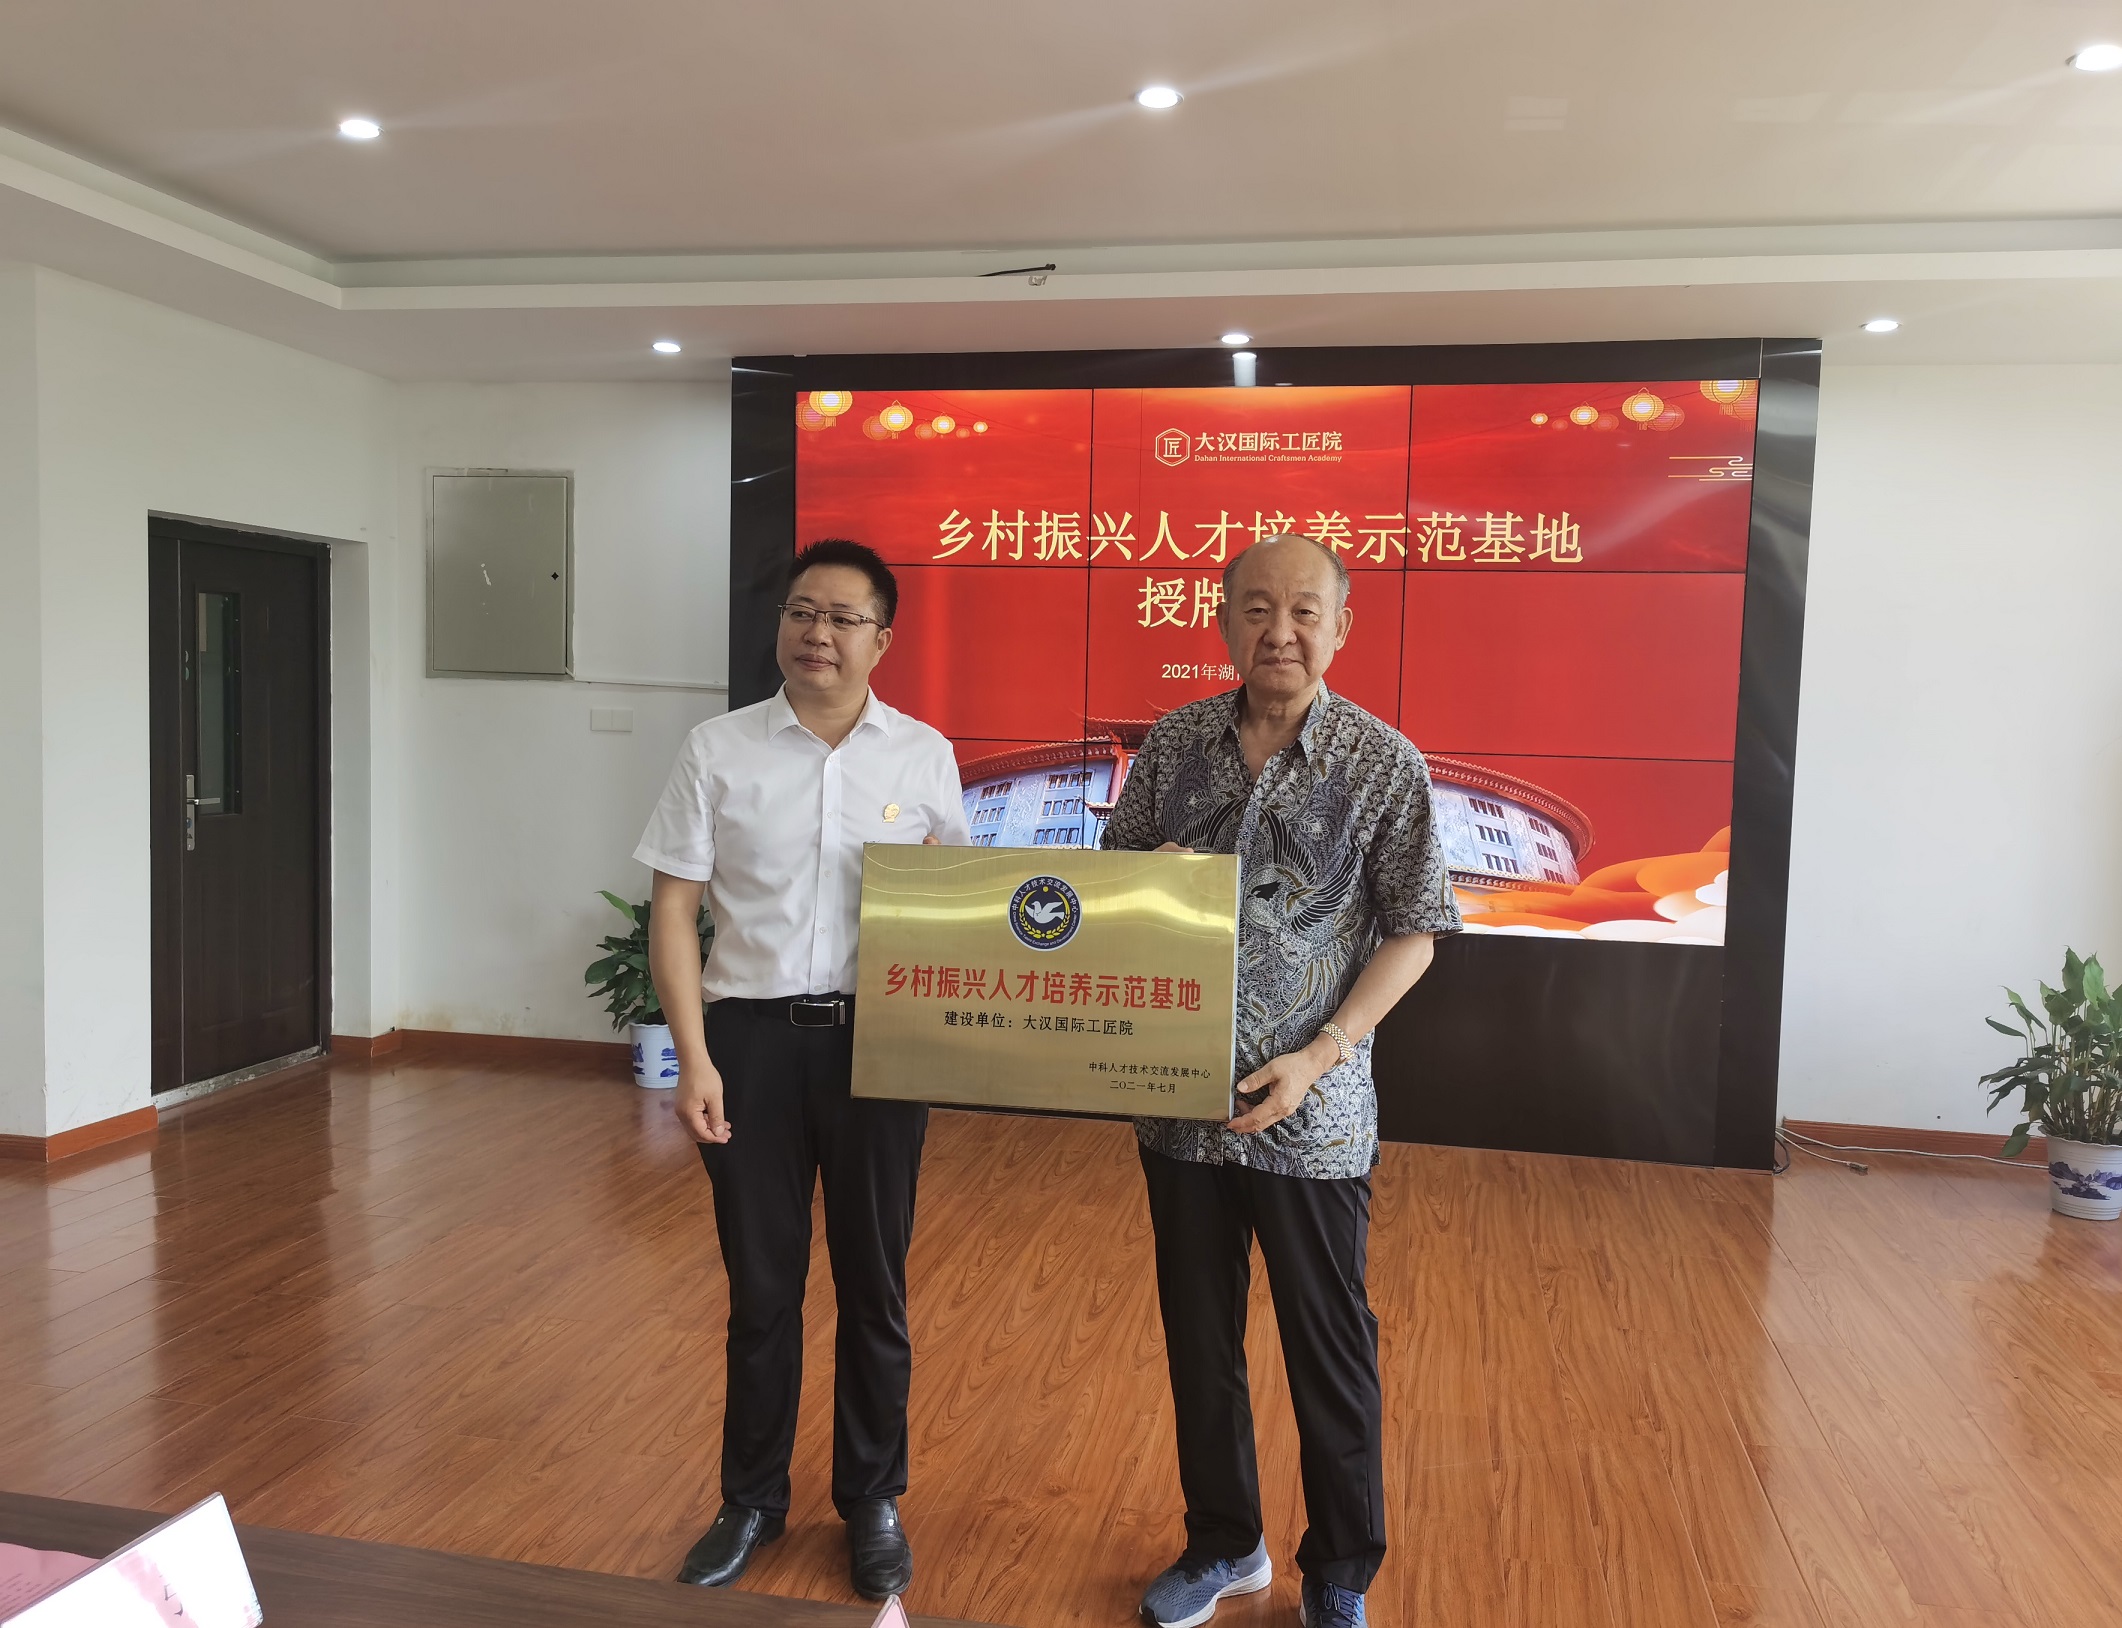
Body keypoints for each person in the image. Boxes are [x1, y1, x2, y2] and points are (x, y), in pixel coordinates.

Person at [1101, 534, 1461, 1628]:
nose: (1281, 631)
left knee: (1328, 1341)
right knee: (1198, 1336)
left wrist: (1321, 1052)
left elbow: (1415, 932)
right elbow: (1108, 884)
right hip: (1178, 1103)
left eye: (1305, 610)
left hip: (1314, 1110)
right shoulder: (1173, 744)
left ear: (1341, 626)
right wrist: (1144, 880)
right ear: (1222, 622)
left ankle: (1340, 1571)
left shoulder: (1382, 762)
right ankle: (1224, 1542)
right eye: (1256, 608)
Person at [634, 538, 969, 1599]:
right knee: (762, 1284)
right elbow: (674, 910)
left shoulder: (922, 755)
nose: (817, 634)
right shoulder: (718, 748)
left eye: (842, 617)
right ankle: (750, 1499)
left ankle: (872, 1498)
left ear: (882, 638)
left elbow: (961, 900)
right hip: (752, 1043)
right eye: (800, 612)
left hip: (882, 1042)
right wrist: (693, 1058)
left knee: (876, 1282)